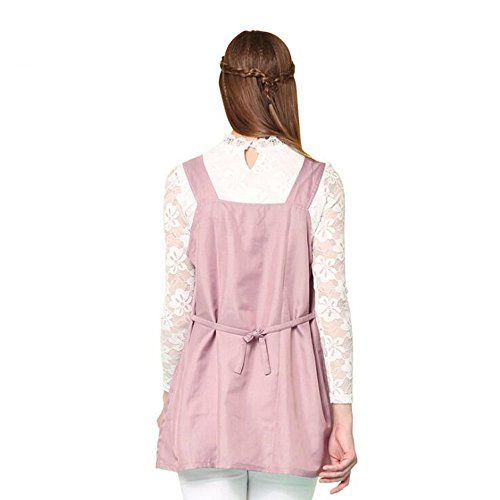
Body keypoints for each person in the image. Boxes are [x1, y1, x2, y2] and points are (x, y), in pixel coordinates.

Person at [155, 30, 357, 499]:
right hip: (292, 391)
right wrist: (342, 413)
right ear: (286, 88)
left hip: (205, 385)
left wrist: (169, 394)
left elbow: (177, 306)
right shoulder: (320, 182)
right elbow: (333, 308)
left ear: (226, 88)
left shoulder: (185, 180)